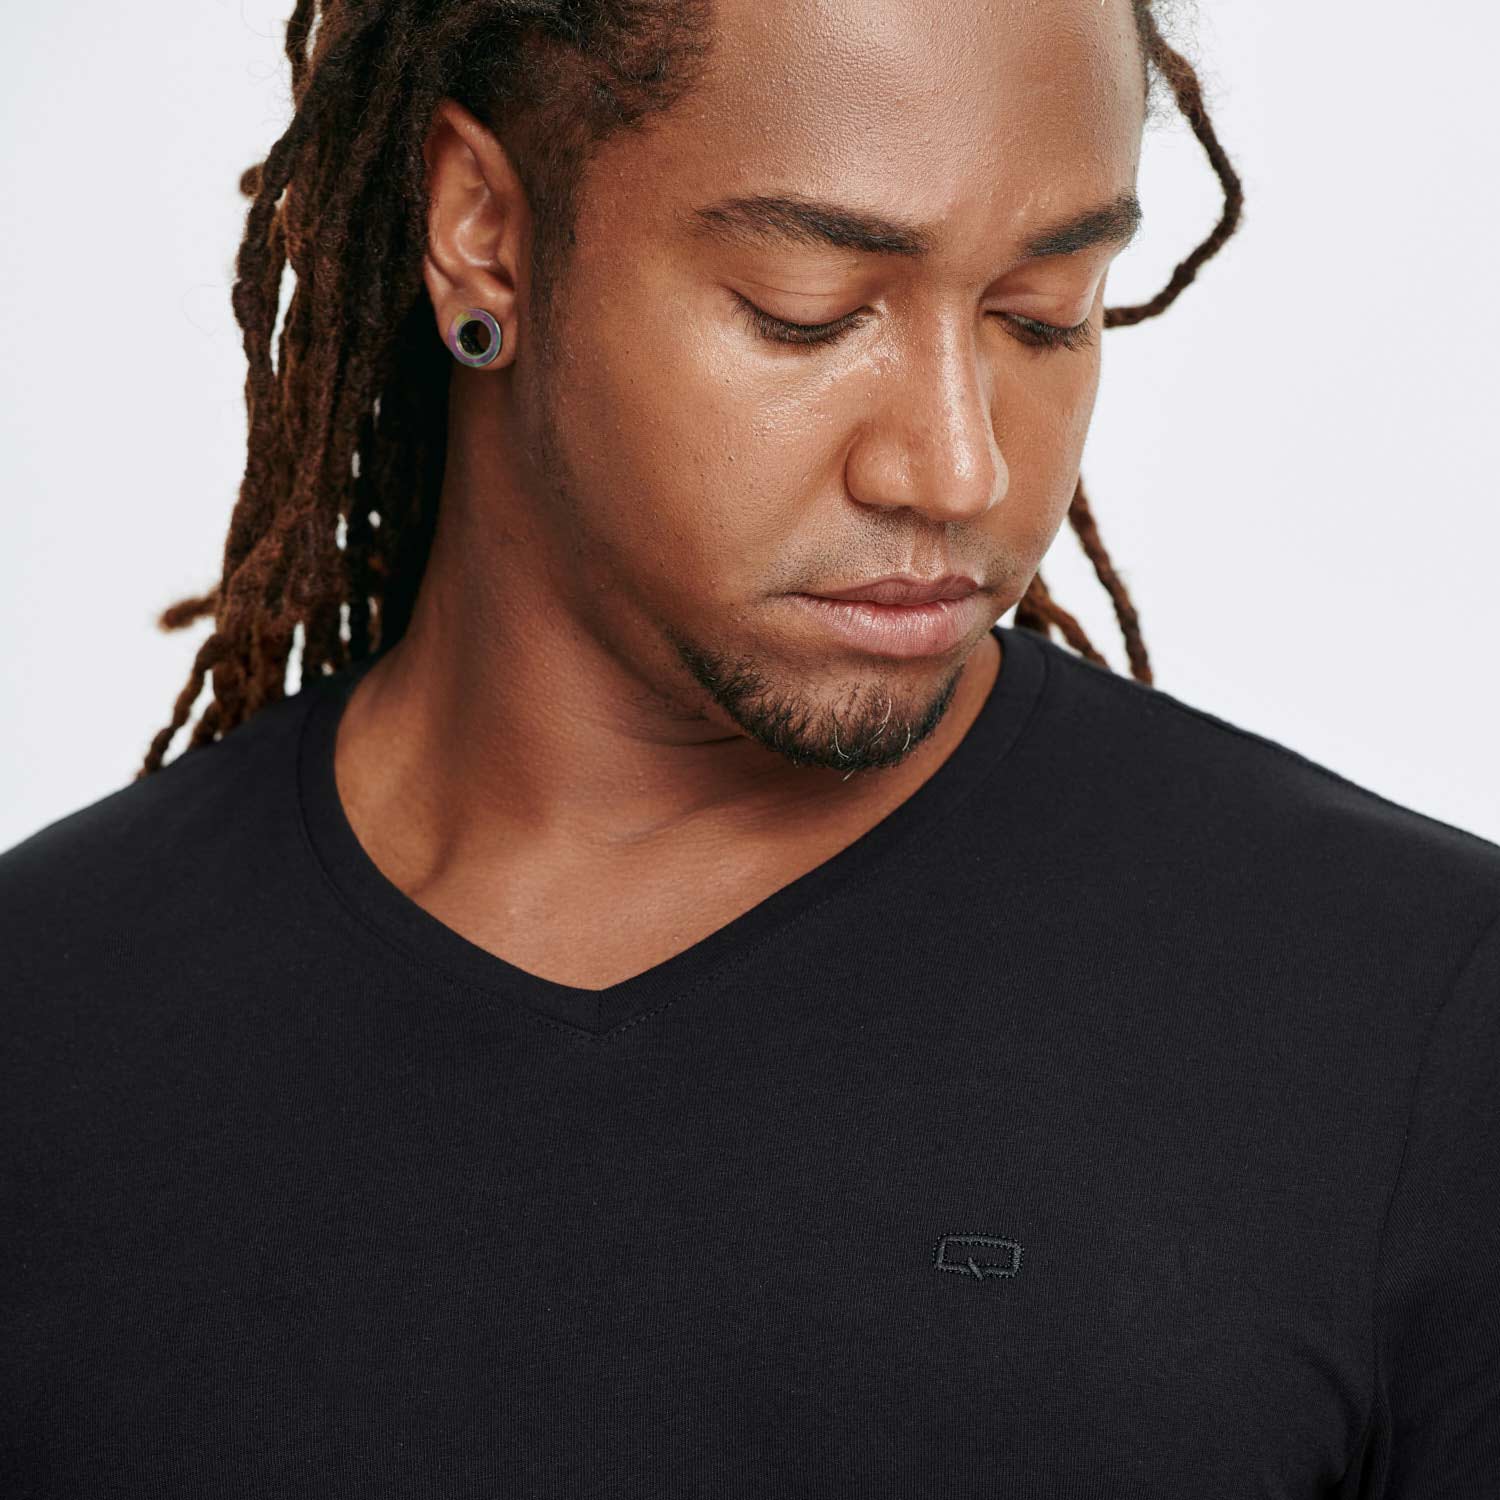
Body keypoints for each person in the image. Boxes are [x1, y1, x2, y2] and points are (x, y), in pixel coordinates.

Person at [2, 0, 1496, 1493]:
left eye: (1044, 312)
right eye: (809, 308)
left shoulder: (1418, 1019)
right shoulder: (47, 1031)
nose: (957, 467)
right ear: (484, 231)